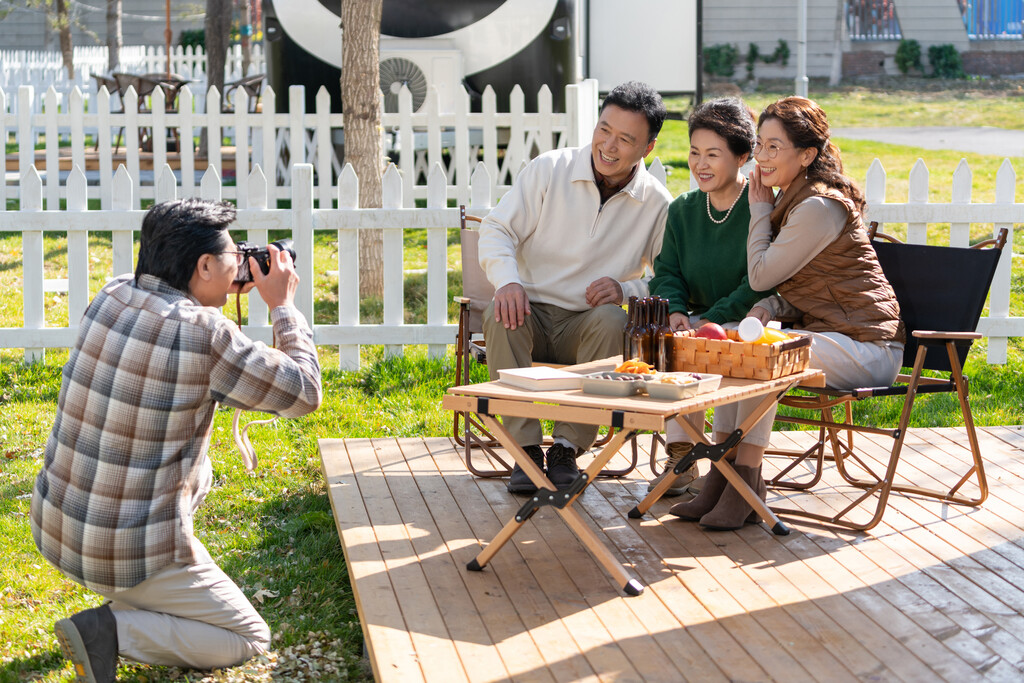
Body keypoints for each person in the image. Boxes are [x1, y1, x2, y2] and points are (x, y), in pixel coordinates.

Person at [30, 199, 323, 681]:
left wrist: (216, 302)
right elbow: (304, 392)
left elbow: (184, 343)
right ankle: (111, 630)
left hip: (56, 527)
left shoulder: (112, 292)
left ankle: (135, 594)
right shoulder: (206, 335)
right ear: (204, 265)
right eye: (232, 255)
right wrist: (283, 307)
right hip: (122, 549)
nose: (238, 263)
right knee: (249, 637)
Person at [669, 96, 904, 529]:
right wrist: (770, 306)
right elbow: (805, 286)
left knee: (762, 359)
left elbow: (760, 274)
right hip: (833, 335)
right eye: (760, 144)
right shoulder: (796, 200)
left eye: (774, 147)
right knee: (737, 348)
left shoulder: (817, 206)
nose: (761, 156)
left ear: (807, 155)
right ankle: (724, 481)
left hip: (870, 348)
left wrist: (758, 209)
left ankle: (744, 483)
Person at [478, 81, 672, 494]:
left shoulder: (656, 203)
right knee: (501, 309)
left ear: (648, 148)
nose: (609, 145)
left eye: (625, 139)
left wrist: (625, 289)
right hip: (527, 313)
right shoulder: (550, 169)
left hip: (585, 327)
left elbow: (666, 276)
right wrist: (508, 281)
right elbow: (497, 229)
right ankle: (525, 450)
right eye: (604, 129)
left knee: (610, 319)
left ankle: (567, 447)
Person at [647, 97, 771, 497]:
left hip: (745, 322)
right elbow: (667, 271)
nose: (700, 164)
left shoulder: (760, 206)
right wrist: (678, 311)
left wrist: (708, 322)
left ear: (743, 156)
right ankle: (681, 461)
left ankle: (732, 471)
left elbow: (759, 283)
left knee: (710, 347)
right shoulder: (683, 209)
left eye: (713, 154)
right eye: (694, 152)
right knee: (675, 345)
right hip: (697, 322)